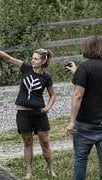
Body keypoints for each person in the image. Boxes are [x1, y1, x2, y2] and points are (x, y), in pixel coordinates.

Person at [0, 40, 56, 179]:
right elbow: (7, 58)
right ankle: (28, 172)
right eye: (32, 58)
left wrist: (48, 107)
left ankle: (51, 169)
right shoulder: (25, 68)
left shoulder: (46, 77)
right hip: (23, 112)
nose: (33, 60)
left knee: (45, 142)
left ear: (43, 61)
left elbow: (52, 96)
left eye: (36, 59)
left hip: (39, 113)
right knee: (27, 142)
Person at [66, 36, 102, 180]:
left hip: (85, 124)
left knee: (80, 160)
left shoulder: (84, 68)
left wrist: (72, 122)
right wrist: (76, 71)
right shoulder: (82, 70)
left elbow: (78, 95)